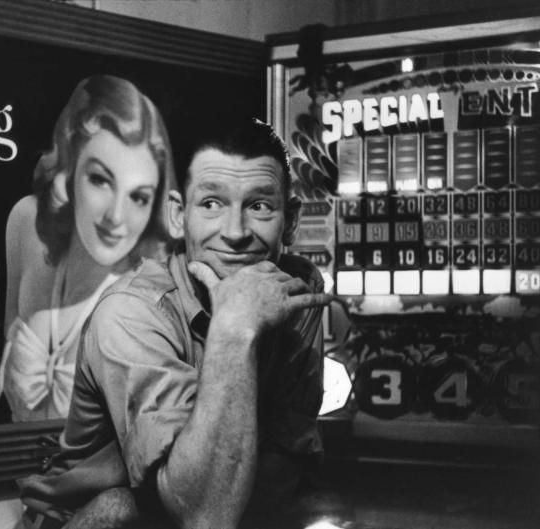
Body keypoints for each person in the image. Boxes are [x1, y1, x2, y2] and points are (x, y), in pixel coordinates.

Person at [17, 118, 335, 529]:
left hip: (222, 506)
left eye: (259, 206)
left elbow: (282, 466)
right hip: (85, 521)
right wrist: (234, 331)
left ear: (289, 221)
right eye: (211, 204)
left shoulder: (296, 288)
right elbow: (204, 515)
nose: (236, 233)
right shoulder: (129, 312)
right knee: (118, 509)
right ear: (178, 216)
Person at [0, 75, 176, 422]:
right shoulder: (25, 220)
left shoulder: (152, 290)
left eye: (139, 196)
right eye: (100, 179)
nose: (116, 216)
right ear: (69, 168)